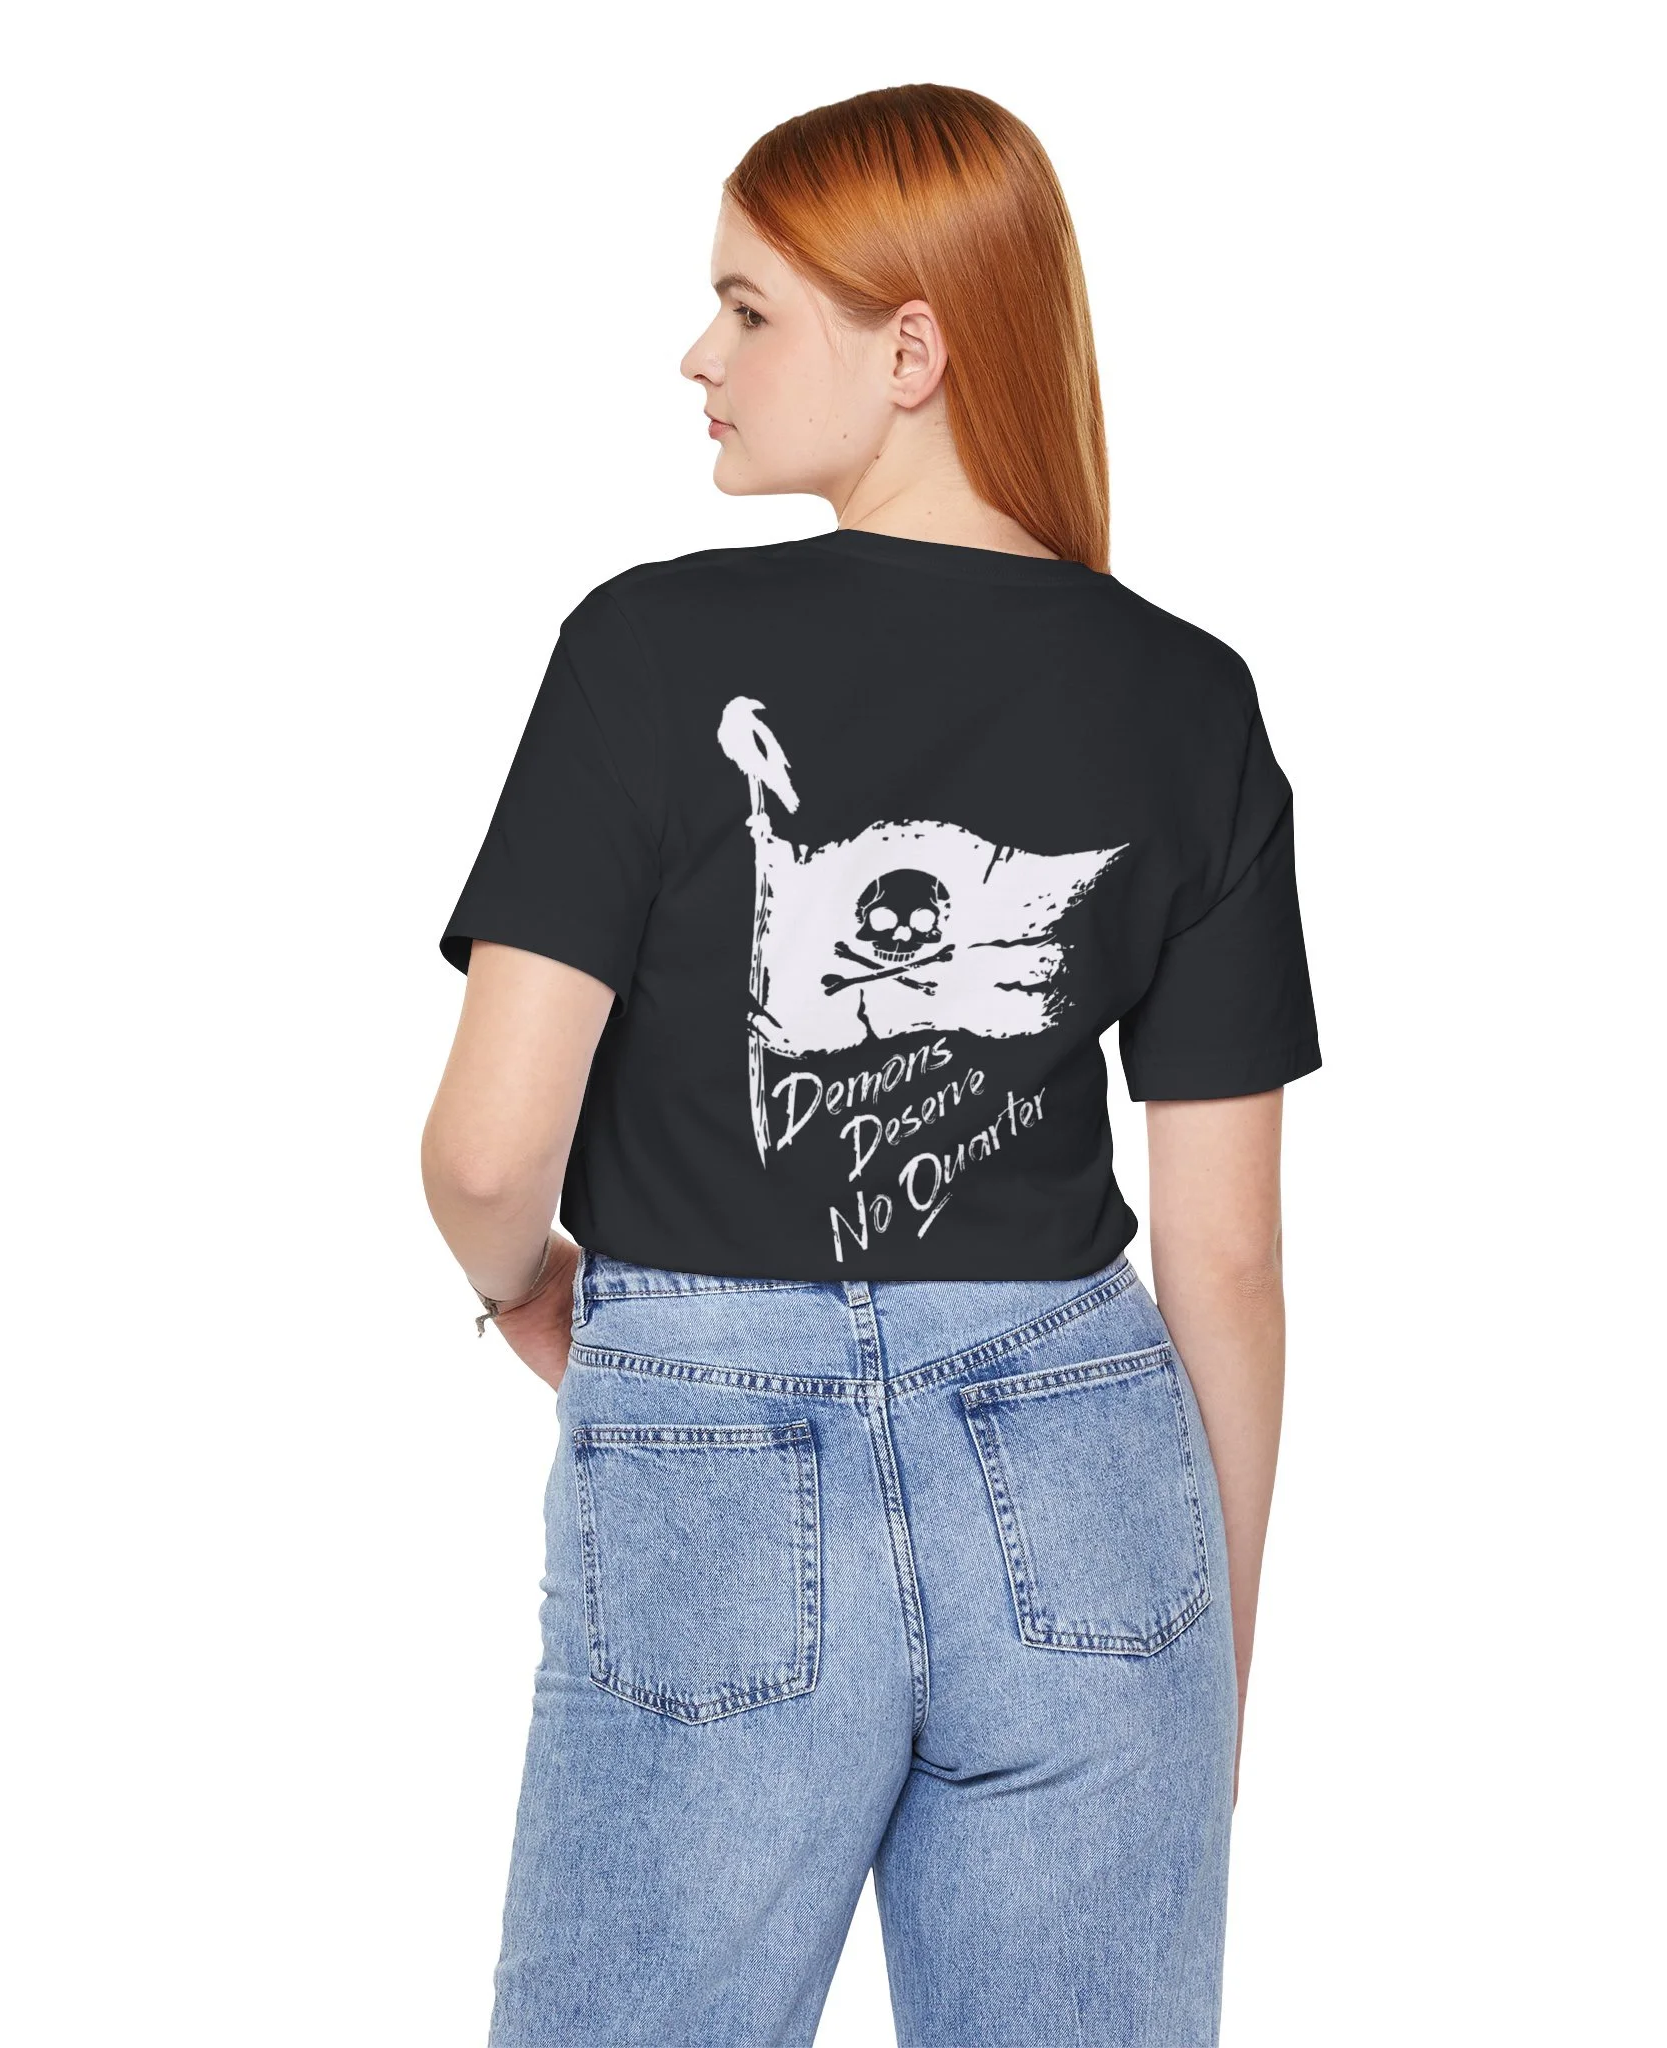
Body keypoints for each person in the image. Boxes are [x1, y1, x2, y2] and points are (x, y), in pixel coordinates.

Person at [422, 81, 1320, 2048]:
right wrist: (1209, 1659)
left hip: (713, 1457)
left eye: (749, 309)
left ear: (911, 350)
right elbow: (1229, 1263)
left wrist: (528, 1293)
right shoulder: (1189, 696)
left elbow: (489, 1153)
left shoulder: (646, 650)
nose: (699, 355)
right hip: (1089, 1483)